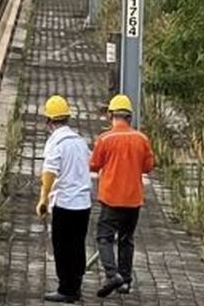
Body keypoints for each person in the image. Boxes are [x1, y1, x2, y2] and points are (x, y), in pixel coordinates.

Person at [89, 94, 155, 298]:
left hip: (111, 199)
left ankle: (112, 274)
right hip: (133, 199)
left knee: (104, 237)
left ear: (111, 115)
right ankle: (125, 281)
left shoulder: (105, 139)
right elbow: (148, 166)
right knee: (127, 239)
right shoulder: (142, 139)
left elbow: (93, 165)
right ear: (130, 117)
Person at [37, 95, 92, 303]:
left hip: (65, 204)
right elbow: (91, 164)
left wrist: (43, 199)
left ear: (50, 121)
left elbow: (49, 172)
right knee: (77, 246)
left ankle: (65, 289)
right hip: (83, 204)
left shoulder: (55, 143)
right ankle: (75, 286)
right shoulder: (79, 141)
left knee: (62, 247)